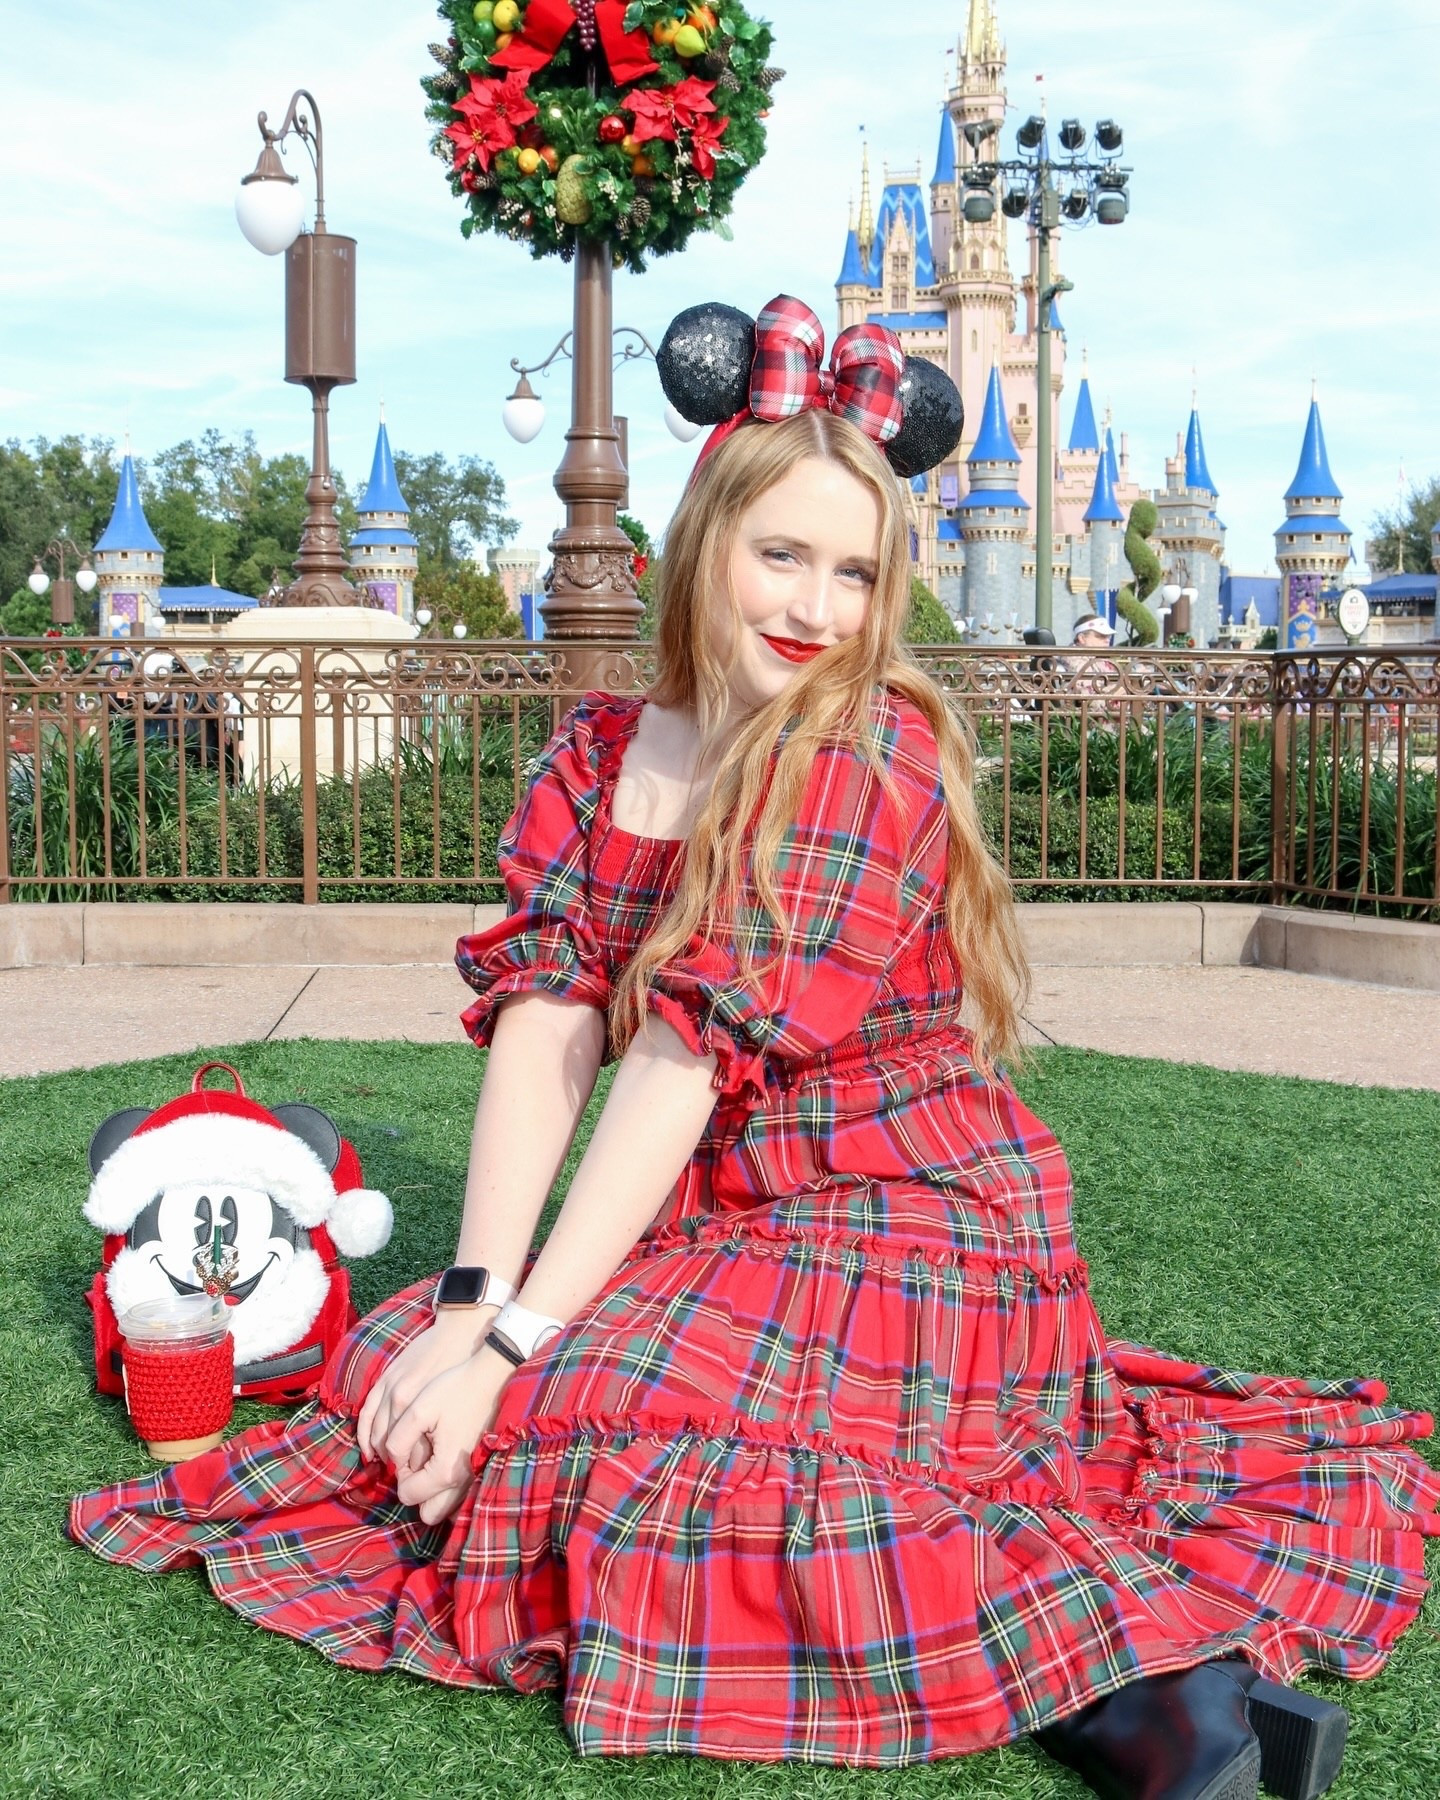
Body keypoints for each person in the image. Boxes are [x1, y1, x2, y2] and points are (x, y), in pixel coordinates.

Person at [70, 304, 1437, 1798]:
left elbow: (683, 1058)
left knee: (597, 1432)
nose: (818, 607)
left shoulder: (865, 751)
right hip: (721, 1210)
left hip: (910, 1205)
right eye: (782, 554)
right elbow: (548, 1026)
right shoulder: (600, 756)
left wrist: (515, 1345)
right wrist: (471, 1304)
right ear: (705, 537)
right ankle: (1110, 1665)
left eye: (857, 572)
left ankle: (1158, 1687)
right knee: (402, 1377)